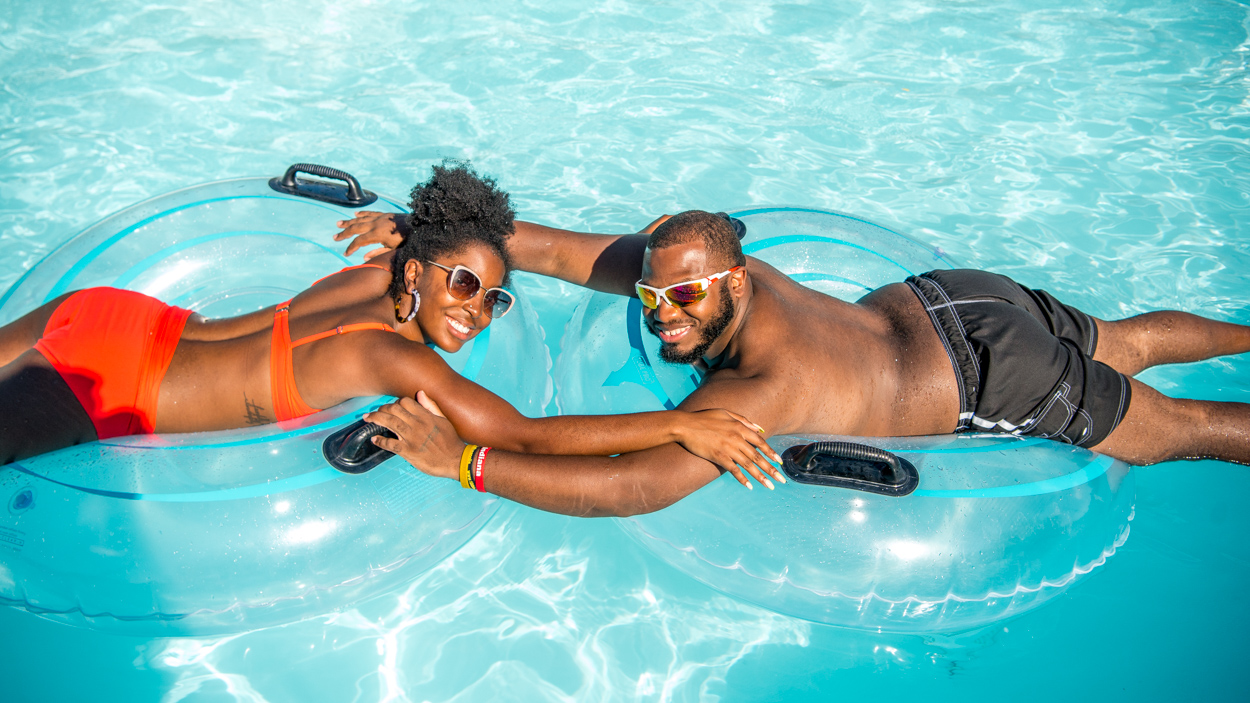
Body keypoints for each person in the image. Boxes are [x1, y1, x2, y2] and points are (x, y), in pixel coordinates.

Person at [335, 208, 1250, 517]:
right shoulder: (719, 268)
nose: (664, 320)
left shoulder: (760, 389)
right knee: (1120, 337)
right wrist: (429, 231)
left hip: (986, 372)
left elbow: (625, 490)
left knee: (1179, 431)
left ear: (731, 281)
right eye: (653, 298)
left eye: (685, 299)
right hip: (946, 298)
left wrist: (459, 460)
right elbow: (566, 251)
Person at [0, 164, 781, 477]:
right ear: (419, 271)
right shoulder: (396, 360)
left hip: (111, 315)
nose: (475, 312)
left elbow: (430, 241)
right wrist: (680, 427)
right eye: (467, 283)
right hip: (105, 381)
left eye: (494, 296)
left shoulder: (381, 269)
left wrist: (413, 228)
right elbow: (522, 435)